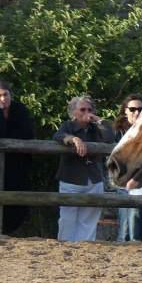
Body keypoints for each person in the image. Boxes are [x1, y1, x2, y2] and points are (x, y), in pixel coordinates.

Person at [0, 78, 35, 234]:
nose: (3, 99)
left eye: (6, 95)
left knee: (18, 207)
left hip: (18, 166)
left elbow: (27, 134)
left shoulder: (20, 111)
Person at [53, 95, 114, 242]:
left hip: (94, 179)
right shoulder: (68, 126)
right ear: (74, 112)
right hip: (71, 179)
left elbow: (110, 137)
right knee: (67, 219)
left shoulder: (96, 128)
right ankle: (65, 247)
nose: (87, 112)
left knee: (89, 221)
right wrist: (73, 139)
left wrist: (99, 120)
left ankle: (85, 248)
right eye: (82, 109)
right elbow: (58, 135)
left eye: (89, 109)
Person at [112, 94, 142, 242]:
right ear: (125, 111)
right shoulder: (116, 132)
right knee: (126, 225)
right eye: (132, 109)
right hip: (123, 183)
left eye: (140, 109)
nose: (137, 112)